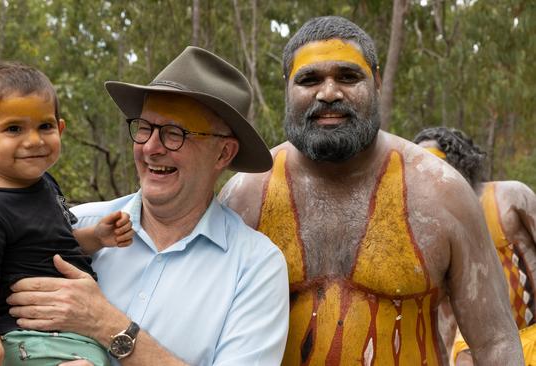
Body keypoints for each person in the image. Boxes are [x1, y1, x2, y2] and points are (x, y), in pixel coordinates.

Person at [219, 16, 523, 365]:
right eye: (309, 79)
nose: (329, 93)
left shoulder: (442, 194)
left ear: (377, 83)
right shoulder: (245, 196)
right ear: (287, 87)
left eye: (348, 77)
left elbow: (496, 343)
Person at [0, 47, 289, 366]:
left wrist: (107, 324)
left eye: (175, 133)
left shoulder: (255, 267)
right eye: (144, 128)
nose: (151, 147)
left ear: (224, 154)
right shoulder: (77, 224)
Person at [0, 62, 134, 366]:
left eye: (45, 126)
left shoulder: (45, 184)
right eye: (14, 128)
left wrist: (96, 237)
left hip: (77, 335)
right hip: (25, 336)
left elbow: (57, 243)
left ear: (60, 129)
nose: (34, 140)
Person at [415, 126, 536, 364]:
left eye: (434, 161)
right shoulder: (435, 227)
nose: (426, 172)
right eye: (418, 165)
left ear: (458, 159)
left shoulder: (509, 195)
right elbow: (446, 311)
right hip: (475, 346)